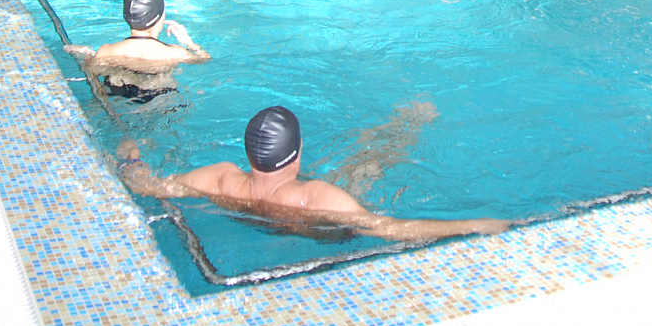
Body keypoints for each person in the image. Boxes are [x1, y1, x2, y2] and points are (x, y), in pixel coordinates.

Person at [118, 106, 509, 242]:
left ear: (248, 153)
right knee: (365, 165)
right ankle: (408, 125)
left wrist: (131, 157)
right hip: (326, 234)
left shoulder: (220, 179)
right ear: (297, 152)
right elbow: (389, 229)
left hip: (256, 219)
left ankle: (399, 126)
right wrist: (475, 225)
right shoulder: (316, 196)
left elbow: (147, 186)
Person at [67, 0, 210, 102]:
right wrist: (190, 44)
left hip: (117, 96)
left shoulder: (105, 51)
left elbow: (93, 77)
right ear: (159, 18)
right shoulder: (176, 53)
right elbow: (204, 60)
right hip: (161, 100)